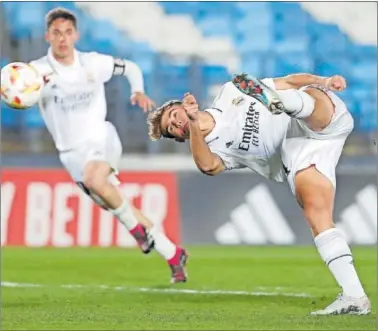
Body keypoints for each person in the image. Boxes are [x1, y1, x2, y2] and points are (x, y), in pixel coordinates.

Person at [147, 72, 371, 314]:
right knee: (317, 214)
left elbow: (288, 80)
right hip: (298, 152)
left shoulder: (229, 92)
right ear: (180, 137)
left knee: (306, 96)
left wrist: (325, 82)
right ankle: (355, 297)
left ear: (181, 103)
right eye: (171, 129)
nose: (175, 124)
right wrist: (192, 122)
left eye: (173, 115)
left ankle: (280, 103)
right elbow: (209, 166)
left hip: (313, 117)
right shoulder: (210, 148)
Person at [29, 7, 188, 284]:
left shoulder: (92, 63)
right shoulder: (36, 72)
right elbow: (12, 91)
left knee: (97, 182)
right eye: (57, 33)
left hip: (101, 138)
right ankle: (173, 254)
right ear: (47, 36)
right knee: (115, 203)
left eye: (68, 32)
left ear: (76, 35)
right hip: (71, 156)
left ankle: (136, 230)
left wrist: (137, 90)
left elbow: (131, 67)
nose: (63, 39)